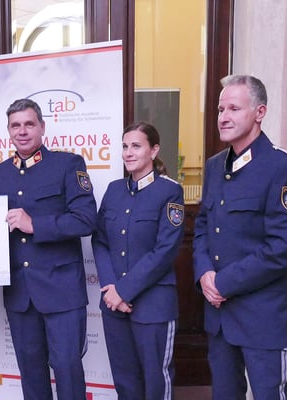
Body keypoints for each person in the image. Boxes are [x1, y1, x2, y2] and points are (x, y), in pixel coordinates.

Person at [193, 75, 287, 399]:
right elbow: (202, 226)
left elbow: (283, 248)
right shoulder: (215, 166)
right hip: (220, 321)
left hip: (264, 322)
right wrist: (204, 273)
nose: (223, 117)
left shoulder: (283, 167)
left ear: (260, 112)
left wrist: (223, 283)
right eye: (220, 109)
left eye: (234, 108)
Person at [0, 98, 97, 400]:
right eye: (15, 125)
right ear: (8, 131)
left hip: (62, 291)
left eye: (29, 124)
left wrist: (34, 224)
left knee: (68, 371)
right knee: (31, 374)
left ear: (42, 127)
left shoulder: (68, 165)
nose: (22, 131)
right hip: (20, 293)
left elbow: (86, 219)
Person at [92, 121, 185, 400]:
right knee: (125, 382)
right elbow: (100, 240)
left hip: (153, 305)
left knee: (156, 382)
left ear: (154, 150)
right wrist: (111, 289)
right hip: (114, 305)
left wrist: (123, 290)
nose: (128, 153)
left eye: (136, 146)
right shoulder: (114, 190)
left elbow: (165, 250)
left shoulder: (169, 191)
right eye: (124, 146)